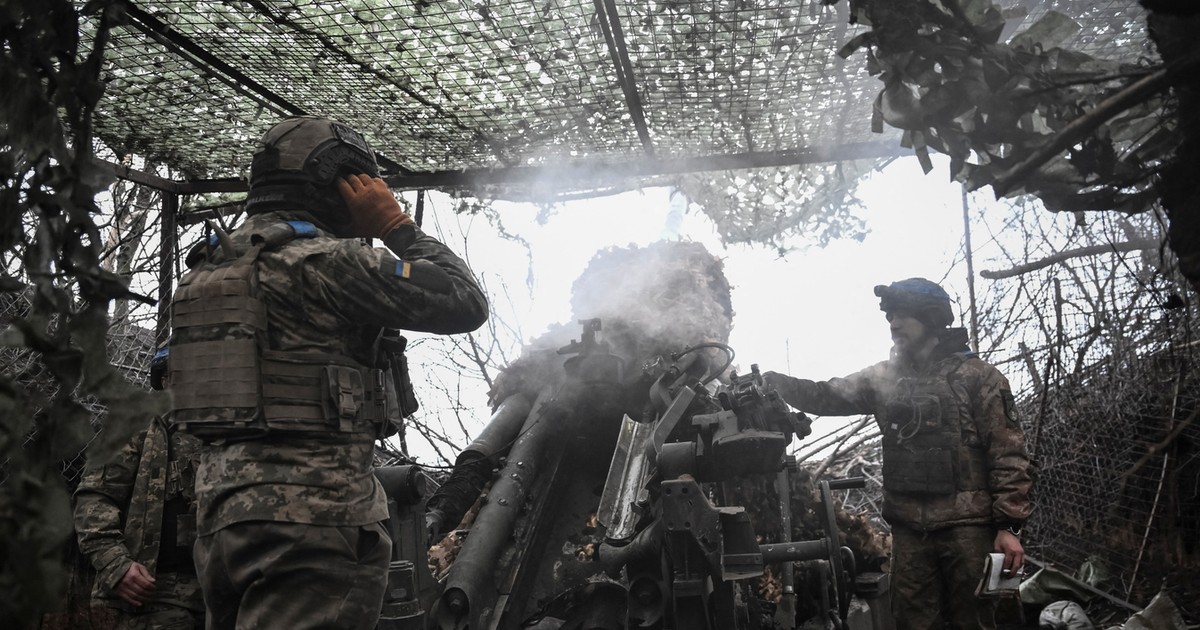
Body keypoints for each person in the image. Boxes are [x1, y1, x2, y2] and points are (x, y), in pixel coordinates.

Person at [169, 116, 488, 630]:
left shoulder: (206, 271)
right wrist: (395, 228)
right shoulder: (327, 263)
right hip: (313, 520)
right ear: (338, 185)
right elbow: (465, 302)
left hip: (221, 516)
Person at [763, 277, 1033, 629]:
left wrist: (1009, 526)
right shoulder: (886, 379)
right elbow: (826, 394)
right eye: (890, 316)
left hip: (971, 532)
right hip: (910, 532)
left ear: (932, 317)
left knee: (983, 622)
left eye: (903, 314)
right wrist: (772, 382)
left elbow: (1008, 454)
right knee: (914, 623)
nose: (893, 323)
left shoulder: (978, 377)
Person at [73, 346, 205, 629]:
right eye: (174, 374)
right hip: (149, 594)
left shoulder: (234, 431)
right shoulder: (135, 426)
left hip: (221, 594)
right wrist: (117, 566)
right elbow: (95, 499)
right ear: (164, 380)